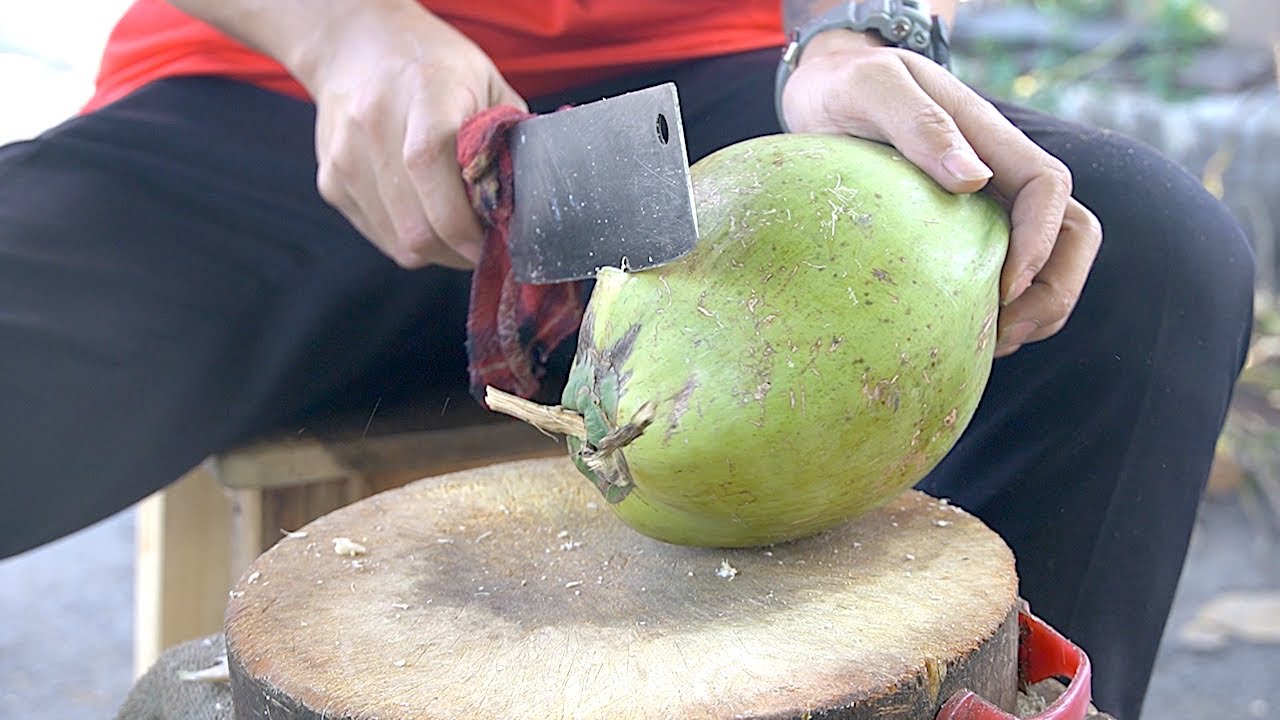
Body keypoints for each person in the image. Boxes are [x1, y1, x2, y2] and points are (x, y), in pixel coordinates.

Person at [0, 0, 1254, 717]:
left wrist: (847, 37)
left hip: (714, 108)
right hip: (263, 93)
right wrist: (343, 34)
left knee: (1138, 267)